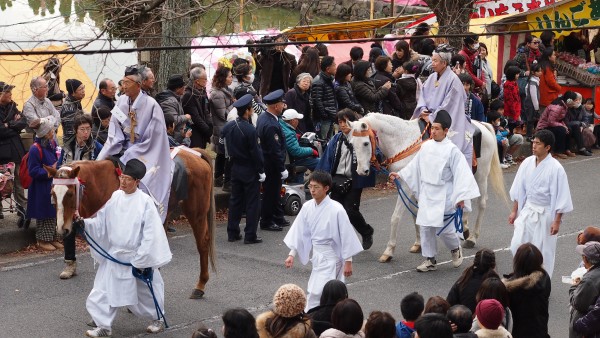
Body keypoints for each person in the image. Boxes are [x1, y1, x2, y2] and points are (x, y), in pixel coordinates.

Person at [77, 159, 172, 337]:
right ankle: (103, 326)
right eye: (123, 177)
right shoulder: (116, 197)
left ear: (137, 181)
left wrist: (142, 259)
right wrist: (84, 223)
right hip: (115, 255)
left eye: (129, 179)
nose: (124, 182)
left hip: (135, 257)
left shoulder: (145, 202)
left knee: (145, 292)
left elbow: (151, 233)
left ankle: (158, 318)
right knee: (102, 291)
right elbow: (102, 221)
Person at [390, 111, 480, 272]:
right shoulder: (425, 146)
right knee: (425, 227)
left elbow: (462, 174)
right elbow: (415, 165)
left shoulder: (452, 150)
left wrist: (460, 197)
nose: (433, 131)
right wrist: (400, 174)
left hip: (445, 194)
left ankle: (455, 249)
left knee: (445, 230)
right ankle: (430, 259)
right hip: (427, 193)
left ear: (446, 131)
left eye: (437, 129)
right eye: (433, 128)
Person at [96, 65, 172, 223]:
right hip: (124, 147)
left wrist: (133, 150)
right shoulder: (121, 102)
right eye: (122, 82)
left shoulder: (152, 105)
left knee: (144, 179)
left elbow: (156, 136)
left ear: (138, 85)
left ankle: (147, 217)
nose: (124, 86)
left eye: (127, 83)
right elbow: (114, 132)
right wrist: (101, 157)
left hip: (147, 149)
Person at [284, 170, 363, 311]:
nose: (312, 190)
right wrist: (292, 253)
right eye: (310, 186)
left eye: (316, 187)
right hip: (318, 255)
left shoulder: (337, 209)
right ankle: (327, 317)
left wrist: (348, 262)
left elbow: (346, 236)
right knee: (324, 292)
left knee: (318, 291)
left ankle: (313, 316)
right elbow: (301, 232)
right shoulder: (307, 207)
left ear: (326, 188)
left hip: (332, 257)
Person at [509, 129, 573, 277]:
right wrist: (514, 211)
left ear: (547, 147)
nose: (534, 146)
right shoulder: (526, 163)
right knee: (516, 245)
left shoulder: (556, 168)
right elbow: (520, 189)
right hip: (527, 210)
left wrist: (557, 221)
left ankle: (542, 284)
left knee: (543, 252)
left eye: (538, 143)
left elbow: (561, 197)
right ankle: (522, 277)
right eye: (533, 142)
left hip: (545, 214)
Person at [316, 109, 376, 250]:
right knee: (335, 211)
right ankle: (337, 240)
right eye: (340, 122)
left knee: (350, 209)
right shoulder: (336, 139)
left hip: (354, 179)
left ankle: (366, 231)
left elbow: (371, 154)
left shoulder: (361, 136)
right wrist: (321, 177)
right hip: (337, 179)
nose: (342, 125)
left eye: (345, 121)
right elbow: (327, 158)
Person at [413, 44, 474, 166]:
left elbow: (450, 105)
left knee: (452, 146)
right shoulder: (432, 77)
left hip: (447, 118)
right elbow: (422, 95)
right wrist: (424, 110)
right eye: (432, 60)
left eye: (435, 61)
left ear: (444, 63)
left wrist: (432, 117)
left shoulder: (454, 80)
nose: (432, 63)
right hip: (428, 114)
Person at [221, 94, 265, 244]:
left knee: (235, 201)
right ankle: (250, 234)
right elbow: (255, 152)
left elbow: (221, 143)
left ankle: (232, 232)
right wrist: (261, 170)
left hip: (235, 167)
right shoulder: (250, 130)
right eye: (251, 108)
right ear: (247, 111)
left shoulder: (229, 126)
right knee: (252, 203)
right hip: (249, 169)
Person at [27, 118, 61, 251]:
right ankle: (42, 240)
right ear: (46, 133)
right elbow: (33, 170)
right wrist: (49, 171)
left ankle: (52, 238)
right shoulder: (35, 149)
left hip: (51, 183)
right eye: (51, 130)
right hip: (41, 186)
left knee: (53, 211)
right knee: (44, 214)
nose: (53, 132)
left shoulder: (50, 143)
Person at [257, 89, 289, 231]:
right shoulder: (270, 124)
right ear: (276, 106)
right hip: (272, 165)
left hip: (269, 162)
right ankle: (267, 221)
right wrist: (282, 168)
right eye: (282, 104)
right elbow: (274, 149)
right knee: (271, 193)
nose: (284, 106)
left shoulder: (265, 117)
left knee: (275, 192)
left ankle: (277, 216)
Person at [503, 243, 551, 338]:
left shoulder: (510, 288)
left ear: (517, 261)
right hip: (540, 331)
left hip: (518, 333)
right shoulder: (545, 279)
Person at [0, 81, 28, 227]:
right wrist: (13, 127)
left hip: (16, 149)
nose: (11, 95)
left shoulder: (13, 107)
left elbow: (23, 122)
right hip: (3, 152)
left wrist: (9, 125)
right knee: (3, 183)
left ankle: (22, 206)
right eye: (7, 92)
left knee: (19, 180)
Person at [447, 248, 498, 313]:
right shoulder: (496, 285)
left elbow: (449, 303)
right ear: (493, 265)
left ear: (475, 262)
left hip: (462, 319)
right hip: (486, 321)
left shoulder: (463, 280)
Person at [210, 66, 235, 189]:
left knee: (221, 155)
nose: (231, 78)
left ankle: (219, 178)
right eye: (230, 76)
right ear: (223, 78)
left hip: (226, 128)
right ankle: (222, 180)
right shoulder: (217, 94)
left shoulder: (227, 91)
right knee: (224, 155)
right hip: (221, 128)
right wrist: (235, 104)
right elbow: (223, 114)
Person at [569, 241, 600, 338]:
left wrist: (574, 285)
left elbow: (578, 303)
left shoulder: (589, 280)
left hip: (585, 330)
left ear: (585, 259)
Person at [280, 109, 319, 182]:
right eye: (297, 119)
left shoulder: (282, 125)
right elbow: (296, 151)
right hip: (292, 160)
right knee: (319, 162)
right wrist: (311, 151)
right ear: (292, 121)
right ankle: (318, 183)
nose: (298, 121)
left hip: (287, 158)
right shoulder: (289, 133)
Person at [536, 92, 578, 159]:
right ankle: (558, 151)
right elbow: (551, 121)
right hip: (544, 126)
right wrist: (563, 126)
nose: (576, 102)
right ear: (569, 100)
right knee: (562, 130)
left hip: (553, 125)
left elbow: (560, 120)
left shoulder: (564, 106)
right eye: (575, 100)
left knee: (568, 129)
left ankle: (567, 149)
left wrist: (564, 126)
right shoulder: (557, 107)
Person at [182, 67, 212, 149]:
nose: (206, 81)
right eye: (204, 79)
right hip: (194, 132)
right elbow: (195, 117)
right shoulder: (189, 94)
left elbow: (206, 111)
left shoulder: (202, 92)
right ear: (197, 81)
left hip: (203, 130)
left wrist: (210, 125)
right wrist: (207, 130)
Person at [156, 74, 191, 144]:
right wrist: (186, 117)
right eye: (183, 86)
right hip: (173, 139)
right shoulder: (168, 101)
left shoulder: (175, 98)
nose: (185, 88)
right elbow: (172, 120)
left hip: (177, 136)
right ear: (177, 88)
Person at [311, 56, 338, 139]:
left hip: (330, 115)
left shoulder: (330, 79)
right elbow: (317, 101)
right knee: (322, 139)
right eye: (334, 65)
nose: (335, 67)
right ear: (328, 69)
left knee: (330, 139)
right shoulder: (318, 81)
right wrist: (324, 115)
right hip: (324, 118)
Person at [60, 79, 86, 144]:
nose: (83, 91)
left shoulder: (76, 101)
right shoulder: (69, 108)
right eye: (80, 89)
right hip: (72, 143)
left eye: (83, 88)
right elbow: (70, 132)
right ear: (73, 93)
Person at [522, 64, 542, 140]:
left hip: (531, 103)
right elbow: (534, 97)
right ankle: (529, 136)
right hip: (531, 104)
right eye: (539, 71)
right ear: (533, 72)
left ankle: (532, 134)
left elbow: (526, 89)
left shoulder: (533, 80)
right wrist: (536, 108)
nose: (540, 72)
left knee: (532, 119)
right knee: (530, 120)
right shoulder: (533, 82)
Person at [538, 47, 561, 113]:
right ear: (549, 57)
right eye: (553, 55)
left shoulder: (543, 65)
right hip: (548, 96)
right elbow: (551, 82)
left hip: (544, 95)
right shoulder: (547, 68)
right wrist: (559, 88)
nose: (555, 56)